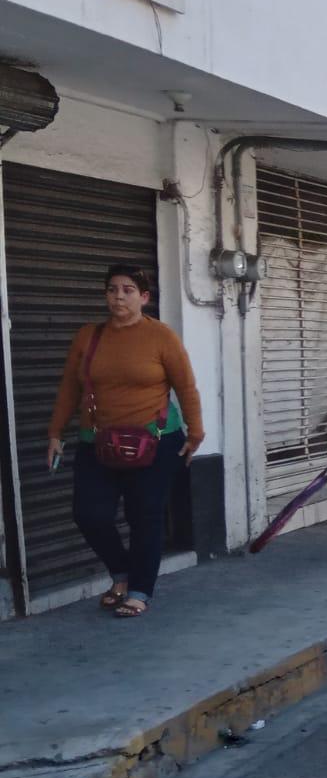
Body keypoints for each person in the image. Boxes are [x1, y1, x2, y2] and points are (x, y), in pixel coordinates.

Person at [48, 264, 204, 618]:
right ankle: (121, 572)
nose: (119, 296)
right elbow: (70, 387)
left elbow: (186, 387)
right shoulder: (88, 336)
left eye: (128, 290)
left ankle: (138, 590)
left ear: (144, 297)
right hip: (97, 441)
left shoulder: (161, 336)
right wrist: (55, 433)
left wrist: (196, 433)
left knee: (144, 515)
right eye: (112, 289)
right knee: (89, 514)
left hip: (155, 441)